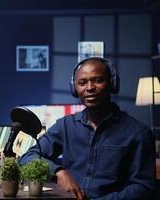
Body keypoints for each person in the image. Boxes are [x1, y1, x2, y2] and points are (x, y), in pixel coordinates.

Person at [19, 57, 155, 199]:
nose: (89, 88)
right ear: (75, 88)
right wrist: (58, 172)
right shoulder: (66, 126)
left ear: (112, 84)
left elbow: (143, 188)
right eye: (82, 82)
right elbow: (28, 157)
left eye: (98, 80)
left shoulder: (138, 133)